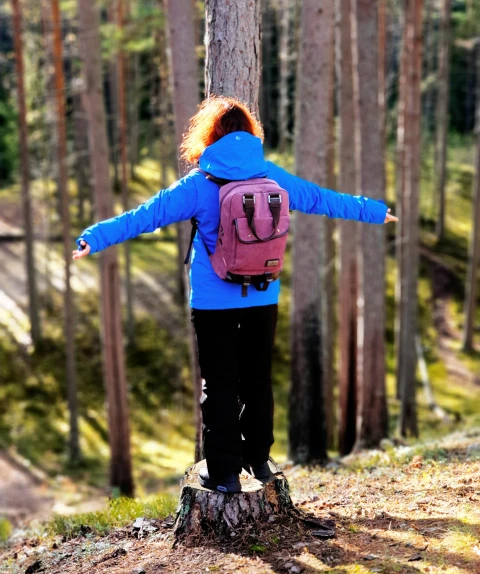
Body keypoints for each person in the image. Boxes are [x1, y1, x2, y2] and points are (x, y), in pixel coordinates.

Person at [73, 96, 397, 494]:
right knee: (257, 379)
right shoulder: (271, 175)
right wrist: (374, 211)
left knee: (220, 383)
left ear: (208, 135)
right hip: (263, 293)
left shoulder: (197, 185)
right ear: (249, 134)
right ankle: (258, 459)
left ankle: (224, 472)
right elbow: (320, 198)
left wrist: (93, 237)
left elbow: (145, 215)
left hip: (212, 302)